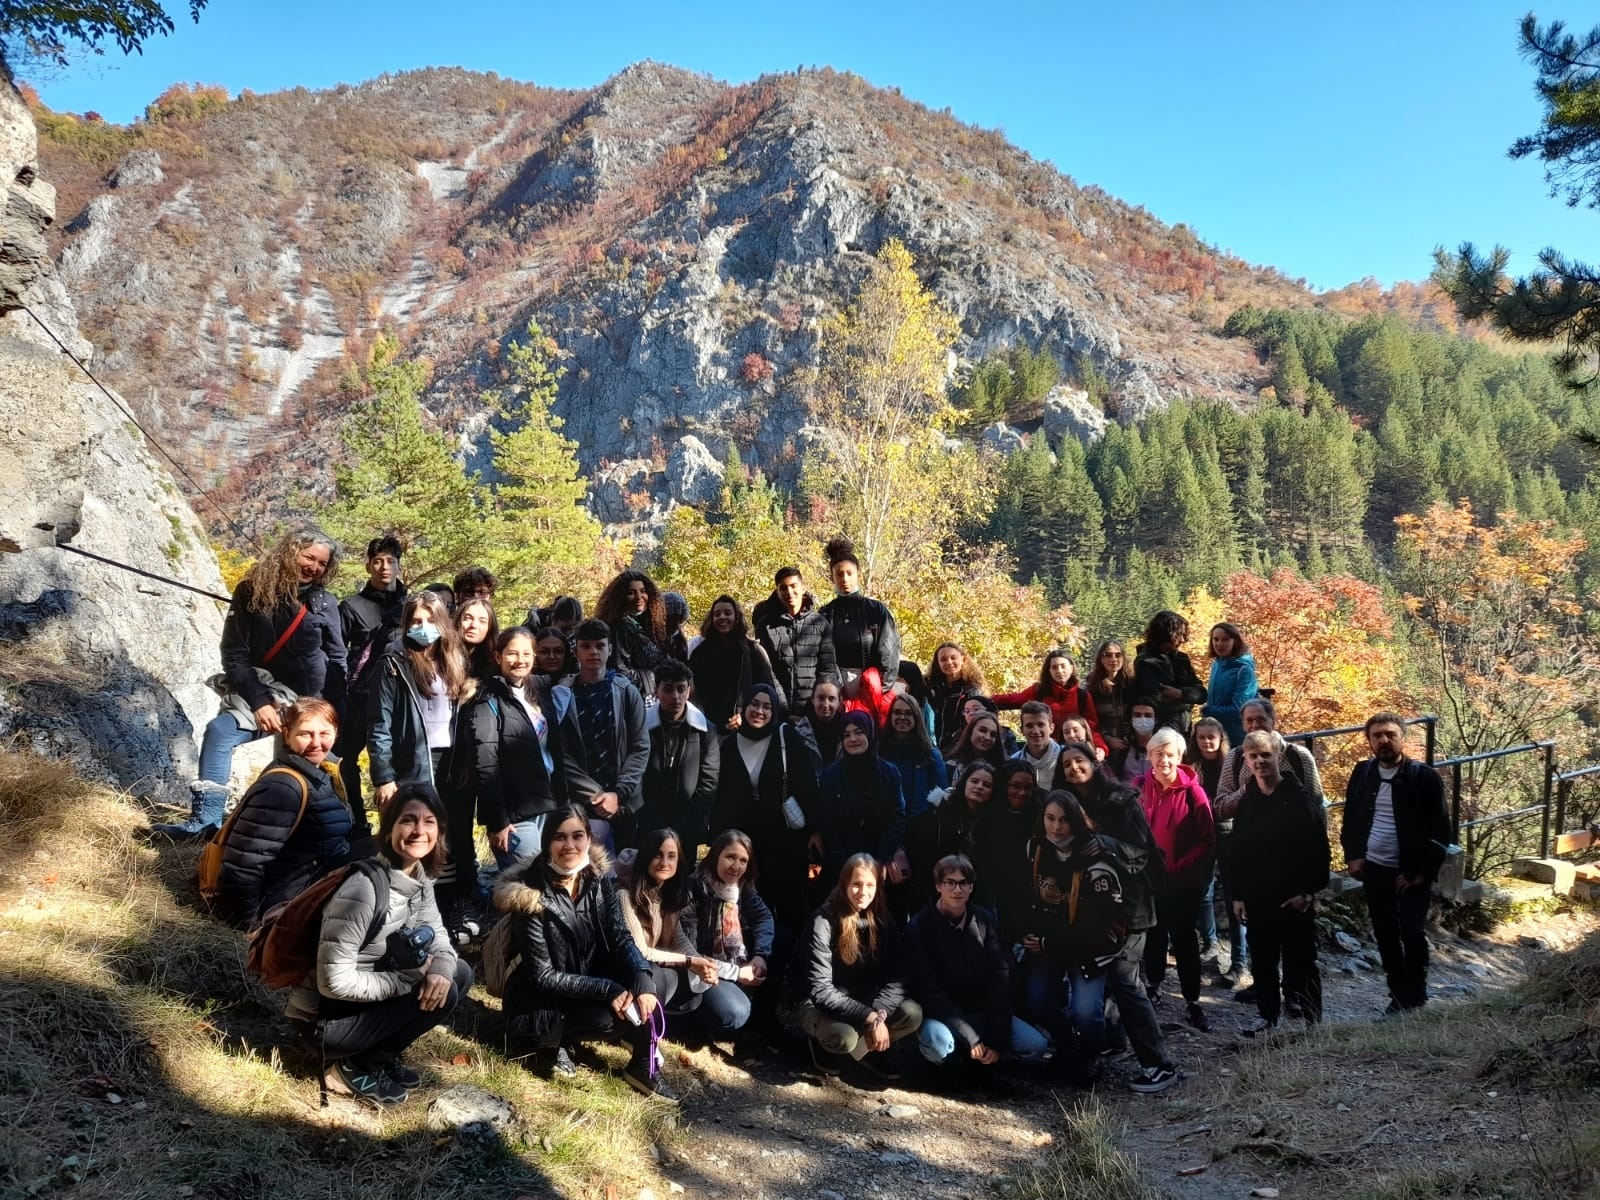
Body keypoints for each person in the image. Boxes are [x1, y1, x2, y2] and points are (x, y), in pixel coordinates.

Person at [286, 783, 472, 1105]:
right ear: (389, 831)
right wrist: (408, 980)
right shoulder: (362, 891)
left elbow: (439, 934)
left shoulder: (419, 878)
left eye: (429, 822)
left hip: (364, 1004)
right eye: (408, 820)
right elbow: (334, 982)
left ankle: (378, 1056)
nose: (419, 831)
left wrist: (439, 969)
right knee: (440, 993)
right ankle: (351, 1066)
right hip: (325, 1021)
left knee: (458, 972)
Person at [158, 528, 345, 840]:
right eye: (309, 557)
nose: (315, 567)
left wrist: (333, 714)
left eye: (323, 563)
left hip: (310, 699)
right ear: (290, 552)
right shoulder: (252, 591)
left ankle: (310, 835)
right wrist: (259, 702)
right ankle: (205, 823)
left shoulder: (325, 603)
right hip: (263, 690)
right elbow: (235, 654)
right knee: (220, 731)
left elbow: (338, 658)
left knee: (301, 764)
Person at [494, 805, 675, 1100]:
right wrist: (608, 989)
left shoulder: (597, 880)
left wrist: (641, 978)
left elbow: (619, 936)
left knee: (651, 982)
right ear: (547, 844)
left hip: (584, 979)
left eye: (577, 836)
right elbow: (543, 976)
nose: (569, 845)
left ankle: (643, 1064)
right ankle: (561, 1040)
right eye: (559, 837)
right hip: (539, 1001)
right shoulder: (529, 895)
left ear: (589, 839)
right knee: (611, 1019)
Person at [1056, 741, 1180, 1093]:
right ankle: (1112, 1043)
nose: (1073, 768)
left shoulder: (1122, 800)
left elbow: (1142, 849)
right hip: (1090, 912)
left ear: (1094, 762)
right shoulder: (1065, 805)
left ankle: (1159, 1064)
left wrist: (1106, 844)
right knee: (1101, 979)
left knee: (1126, 983)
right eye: (1066, 763)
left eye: (1079, 760)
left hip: (1131, 908)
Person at [367, 590, 477, 940]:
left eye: (431, 619)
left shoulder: (455, 660)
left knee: (455, 833)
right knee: (417, 834)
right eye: (416, 620)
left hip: (453, 762)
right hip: (413, 761)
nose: (424, 626)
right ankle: (410, 913)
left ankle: (453, 907)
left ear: (443, 623)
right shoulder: (393, 663)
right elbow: (379, 725)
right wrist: (384, 777)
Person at [1210, 697, 1323, 993]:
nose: (1254, 725)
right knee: (1261, 938)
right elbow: (1220, 806)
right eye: (1248, 721)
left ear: (1273, 721)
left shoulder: (1298, 757)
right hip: (1255, 856)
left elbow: (1316, 807)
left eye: (1260, 720)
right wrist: (1248, 793)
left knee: (1297, 940)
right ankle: (1264, 992)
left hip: (1294, 861)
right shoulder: (1237, 758)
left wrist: (1311, 882)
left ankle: (1298, 996)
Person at [1341, 713, 1450, 1015]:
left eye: (1390, 734)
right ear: (1369, 740)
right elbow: (1351, 818)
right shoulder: (1363, 772)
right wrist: (1352, 855)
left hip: (1411, 873)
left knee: (1412, 931)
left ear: (1402, 737)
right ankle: (1398, 994)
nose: (1383, 740)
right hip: (1374, 868)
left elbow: (1441, 832)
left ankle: (1417, 992)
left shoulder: (1423, 777)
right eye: (1377, 735)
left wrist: (1418, 873)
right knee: (1386, 934)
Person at [1016, 791, 1128, 1082]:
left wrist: (1047, 943)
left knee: (1085, 1012)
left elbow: (1100, 928)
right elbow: (1029, 897)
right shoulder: (1036, 849)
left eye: (1064, 820)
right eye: (1050, 819)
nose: (1056, 827)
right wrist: (1030, 933)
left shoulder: (1096, 861)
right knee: (1036, 1000)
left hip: (1089, 948)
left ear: (1076, 821)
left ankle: (1091, 1054)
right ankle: (1068, 1045)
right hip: (1048, 944)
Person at [213, 698, 352, 928]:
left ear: (336, 732)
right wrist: (250, 925)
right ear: (286, 735)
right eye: (305, 734)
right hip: (282, 902)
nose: (316, 743)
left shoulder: (324, 773)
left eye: (324, 733)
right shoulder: (283, 788)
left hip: (310, 882)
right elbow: (243, 866)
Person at [909, 854, 1048, 1070]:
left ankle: (984, 1060)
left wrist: (995, 1040)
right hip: (942, 1016)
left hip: (981, 1013)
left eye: (964, 883)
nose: (958, 890)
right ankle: (947, 1066)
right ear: (938, 886)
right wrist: (969, 1036)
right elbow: (926, 989)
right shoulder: (919, 926)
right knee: (938, 1044)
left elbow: (1000, 980)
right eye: (950, 883)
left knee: (1035, 1045)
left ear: (972, 887)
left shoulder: (985, 922)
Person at [1232, 731, 1330, 1035]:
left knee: (1302, 959)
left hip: (1294, 896)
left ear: (1279, 757)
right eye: (1253, 756)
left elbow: (1319, 850)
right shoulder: (1249, 800)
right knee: (1262, 958)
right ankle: (1268, 1016)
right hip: (1259, 895)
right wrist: (1238, 895)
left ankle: (1313, 1020)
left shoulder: (1300, 800)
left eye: (1266, 755)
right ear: (1247, 760)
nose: (1260, 761)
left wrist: (1307, 892)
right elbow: (1239, 849)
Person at [792, 854, 922, 1079]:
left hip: (865, 1000)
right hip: (818, 1004)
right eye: (856, 884)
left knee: (912, 1014)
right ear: (844, 885)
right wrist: (870, 1017)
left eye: (870, 885)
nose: (863, 892)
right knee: (844, 1037)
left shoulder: (881, 918)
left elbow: (899, 973)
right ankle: (822, 1043)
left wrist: (879, 1013)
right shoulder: (823, 921)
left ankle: (865, 1050)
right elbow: (820, 990)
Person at [708, 683, 820, 929]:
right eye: (754, 704)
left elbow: (807, 785)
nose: (759, 711)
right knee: (749, 907)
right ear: (745, 706)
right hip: (745, 842)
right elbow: (722, 796)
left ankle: (787, 963)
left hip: (785, 838)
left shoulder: (785, 736)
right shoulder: (728, 745)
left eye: (767, 706)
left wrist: (814, 830)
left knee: (789, 905)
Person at [465, 626, 567, 872]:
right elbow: (485, 761)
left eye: (526, 654)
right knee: (526, 885)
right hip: (514, 813)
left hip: (546, 800)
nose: (519, 660)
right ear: (498, 657)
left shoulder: (538, 692)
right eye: (512, 653)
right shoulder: (486, 697)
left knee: (550, 879)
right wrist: (497, 820)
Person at [1137, 728, 1215, 1031]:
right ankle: (1154, 987)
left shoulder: (1193, 792)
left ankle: (1193, 1001)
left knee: (1184, 939)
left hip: (1184, 883)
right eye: (1158, 754)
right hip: (1149, 882)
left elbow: (1207, 840)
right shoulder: (1139, 787)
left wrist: (1179, 867)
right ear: (1149, 756)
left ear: (1180, 757)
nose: (1163, 760)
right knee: (1153, 936)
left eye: (1170, 754)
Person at [552, 619, 649, 854]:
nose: (593, 652)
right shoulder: (564, 694)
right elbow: (559, 752)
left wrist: (619, 793)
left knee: (625, 869)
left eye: (600, 645)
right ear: (576, 651)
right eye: (585, 646)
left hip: (625, 801)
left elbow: (640, 746)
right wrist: (596, 795)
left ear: (610, 649)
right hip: (582, 801)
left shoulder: (627, 691)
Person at [335, 535, 407, 828]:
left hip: (401, 695)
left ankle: (396, 826)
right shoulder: (351, 607)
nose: (384, 567)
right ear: (368, 566)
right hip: (361, 696)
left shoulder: (413, 605)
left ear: (399, 566)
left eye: (390, 561)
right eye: (377, 561)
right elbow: (336, 653)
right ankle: (357, 824)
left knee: (399, 762)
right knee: (345, 758)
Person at [678, 828, 775, 1035]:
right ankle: (692, 1022)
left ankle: (762, 1024)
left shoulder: (742, 888)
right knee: (735, 1012)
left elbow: (764, 917)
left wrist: (760, 955)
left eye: (743, 860)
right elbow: (691, 951)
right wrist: (737, 973)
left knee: (782, 938)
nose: (736, 866)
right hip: (699, 969)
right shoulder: (694, 887)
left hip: (731, 965)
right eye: (730, 857)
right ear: (716, 855)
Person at [813, 711, 908, 890]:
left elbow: (897, 817)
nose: (853, 739)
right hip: (841, 864)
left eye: (858, 732)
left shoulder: (889, 773)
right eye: (846, 735)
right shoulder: (831, 775)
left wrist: (881, 859)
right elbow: (827, 821)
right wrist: (846, 864)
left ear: (870, 734)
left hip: (881, 862)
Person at [636, 659, 720, 852]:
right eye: (668, 689)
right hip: (648, 823)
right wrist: (650, 820)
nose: (675, 696)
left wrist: (683, 827)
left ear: (689, 690)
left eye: (681, 689)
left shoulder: (705, 729)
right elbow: (636, 774)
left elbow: (709, 783)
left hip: (688, 827)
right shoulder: (641, 726)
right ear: (656, 691)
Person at [618, 828, 699, 1016]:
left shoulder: (667, 893)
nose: (665, 863)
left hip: (653, 967)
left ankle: (654, 1019)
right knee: (659, 976)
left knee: (692, 991)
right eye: (658, 855)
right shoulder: (624, 894)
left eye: (672, 856)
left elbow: (678, 938)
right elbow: (641, 951)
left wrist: (699, 962)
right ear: (646, 857)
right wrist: (689, 961)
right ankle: (643, 1034)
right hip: (629, 969)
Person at [751, 566, 839, 719]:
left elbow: (827, 669)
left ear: (802, 588)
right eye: (783, 588)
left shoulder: (820, 623)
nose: (789, 592)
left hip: (813, 712)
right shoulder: (765, 626)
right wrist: (783, 709)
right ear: (777, 592)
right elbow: (766, 671)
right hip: (777, 709)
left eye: (793, 586)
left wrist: (816, 704)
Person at [910, 760, 996, 910]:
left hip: (974, 896)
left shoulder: (992, 823)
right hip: (935, 892)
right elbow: (924, 858)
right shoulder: (939, 812)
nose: (979, 787)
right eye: (974, 781)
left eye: (986, 785)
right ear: (964, 783)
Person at [818, 537, 900, 691]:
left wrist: (879, 690)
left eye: (850, 573)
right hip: (834, 690)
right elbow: (821, 658)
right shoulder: (825, 614)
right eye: (839, 574)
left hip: (871, 688)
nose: (845, 579)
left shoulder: (876, 610)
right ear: (832, 577)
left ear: (858, 575)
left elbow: (889, 653)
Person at [689, 595, 779, 730]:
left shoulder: (753, 650)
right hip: (708, 727)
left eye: (727, 613)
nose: (722, 617)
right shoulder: (700, 653)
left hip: (743, 725)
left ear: (736, 618)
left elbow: (767, 689)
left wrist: (745, 713)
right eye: (717, 614)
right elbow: (693, 691)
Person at [972, 761, 1036, 940]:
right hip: (992, 890)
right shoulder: (989, 814)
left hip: (1027, 891)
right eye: (1015, 786)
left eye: (1028, 787)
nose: (1022, 793)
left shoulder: (1039, 811)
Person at [994, 650, 1101, 746]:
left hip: (1073, 751)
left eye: (1063, 666)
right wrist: (983, 700)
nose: (1059, 671)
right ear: (1048, 671)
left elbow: (1091, 727)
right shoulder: (1039, 692)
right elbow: (1012, 700)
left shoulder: (1082, 696)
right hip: (1045, 751)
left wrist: (1101, 747)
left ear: (1071, 668)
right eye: (1054, 667)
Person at [1189, 717, 1229, 966]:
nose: (1206, 742)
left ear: (1220, 738)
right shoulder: (1191, 765)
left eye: (1211, 737)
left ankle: (1239, 957)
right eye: (1201, 737)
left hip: (1225, 830)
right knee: (1204, 889)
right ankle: (1209, 940)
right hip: (1199, 832)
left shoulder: (1231, 763)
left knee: (1234, 888)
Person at [879, 691, 949, 829]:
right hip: (886, 828)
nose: (902, 717)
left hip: (921, 829)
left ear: (917, 717)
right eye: (897, 712)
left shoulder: (931, 755)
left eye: (908, 713)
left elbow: (941, 798)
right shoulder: (879, 751)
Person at [594, 570, 669, 697]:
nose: (639, 597)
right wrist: (652, 681)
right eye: (631, 593)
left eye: (643, 591)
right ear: (620, 597)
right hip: (638, 698)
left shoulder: (644, 623)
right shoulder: (620, 626)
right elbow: (621, 670)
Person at [1133, 611, 1207, 736]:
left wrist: (1179, 694)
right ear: (1166, 633)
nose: (1183, 640)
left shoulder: (1182, 659)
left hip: (1185, 726)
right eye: (1179, 635)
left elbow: (1202, 694)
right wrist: (1187, 698)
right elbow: (1153, 702)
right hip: (1160, 729)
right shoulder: (1145, 662)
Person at [1200, 622, 1258, 746]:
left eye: (1225, 640)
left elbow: (1239, 709)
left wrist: (1209, 710)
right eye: (1216, 639)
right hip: (1216, 733)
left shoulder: (1244, 670)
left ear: (1235, 641)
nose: (1219, 644)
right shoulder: (1217, 664)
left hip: (1236, 735)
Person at [926, 642, 986, 748]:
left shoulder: (972, 690)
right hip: (932, 747)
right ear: (938, 663)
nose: (949, 662)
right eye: (943, 659)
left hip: (961, 747)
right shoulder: (930, 688)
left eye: (953, 658)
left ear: (962, 659)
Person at [1086, 639, 1135, 755]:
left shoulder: (1132, 683)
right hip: (1104, 745)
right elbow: (1092, 720)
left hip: (1131, 743)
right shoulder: (1092, 687)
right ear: (1101, 659)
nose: (1113, 659)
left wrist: (1128, 737)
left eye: (1118, 655)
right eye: (1108, 656)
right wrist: (1108, 738)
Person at [793, 678, 846, 766]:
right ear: (813, 700)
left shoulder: (848, 731)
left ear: (840, 701)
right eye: (821, 698)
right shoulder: (799, 732)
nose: (825, 704)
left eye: (831, 699)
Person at [1105, 700, 1157, 789]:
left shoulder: (1164, 749)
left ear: (1156, 720)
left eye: (1148, 715)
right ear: (1131, 719)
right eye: (1137, 715)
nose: (1142, 719)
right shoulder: (1122, 748)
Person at [1013, 700, 1064, 791]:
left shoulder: (1065, 756)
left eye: (1041, 725)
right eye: (1029, 726)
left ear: (1051, 728)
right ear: (1022, 730)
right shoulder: (1014, 762)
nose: (1036, 731)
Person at [945, 711, 1008, 775]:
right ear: (970, 731)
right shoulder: (950, 767)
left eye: (993, 734)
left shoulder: (1003, 770)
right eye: (982, 730)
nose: (987, 737)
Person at [456, 596, 498, 682]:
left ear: (490, 627)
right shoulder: (441, 657)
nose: (474, 625)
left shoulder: (497, 662)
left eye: (482, 621)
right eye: (467, 618)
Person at [532, 625, 577, 689]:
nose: (551, 657)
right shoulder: (524, 685)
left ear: (566, 654)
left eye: (558, 651)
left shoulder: (578, 683)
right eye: (544, 652)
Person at [662, 592, 692, 662]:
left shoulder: (680, 641)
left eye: (676, 618)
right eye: (670, 618)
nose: (672, 623)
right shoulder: (655, 638)